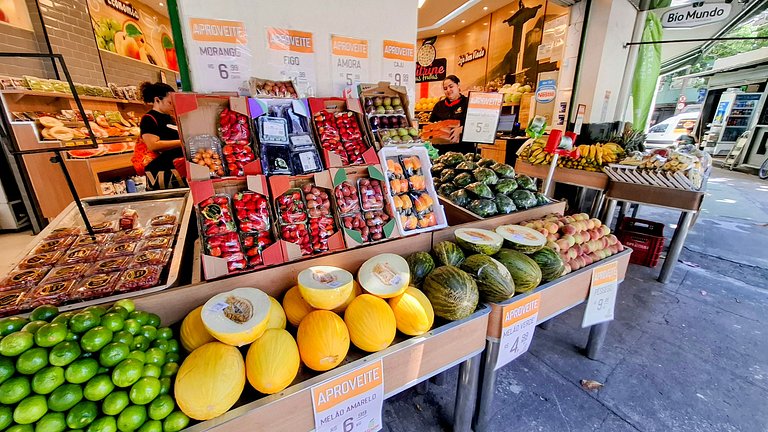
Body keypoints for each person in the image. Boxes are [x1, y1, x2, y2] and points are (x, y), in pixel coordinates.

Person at [135, 82, 185, 190]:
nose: (173, 106)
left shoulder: (170, 118)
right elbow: (153, 145)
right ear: (157, 100)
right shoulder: (149, 118)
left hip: (176, 169)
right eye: (169, 103)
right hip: (161, 172)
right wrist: (182, 142)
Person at [428, 75, 473, 153]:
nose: (448, 90)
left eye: (451, 86)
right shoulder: (439, 105)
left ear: (458, 85)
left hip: (463, 150)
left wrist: (462, 129)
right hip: (442, 151)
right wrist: (436, 128)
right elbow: (430, 124)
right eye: (445, 88)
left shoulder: (468, 103)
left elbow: (475, 124)